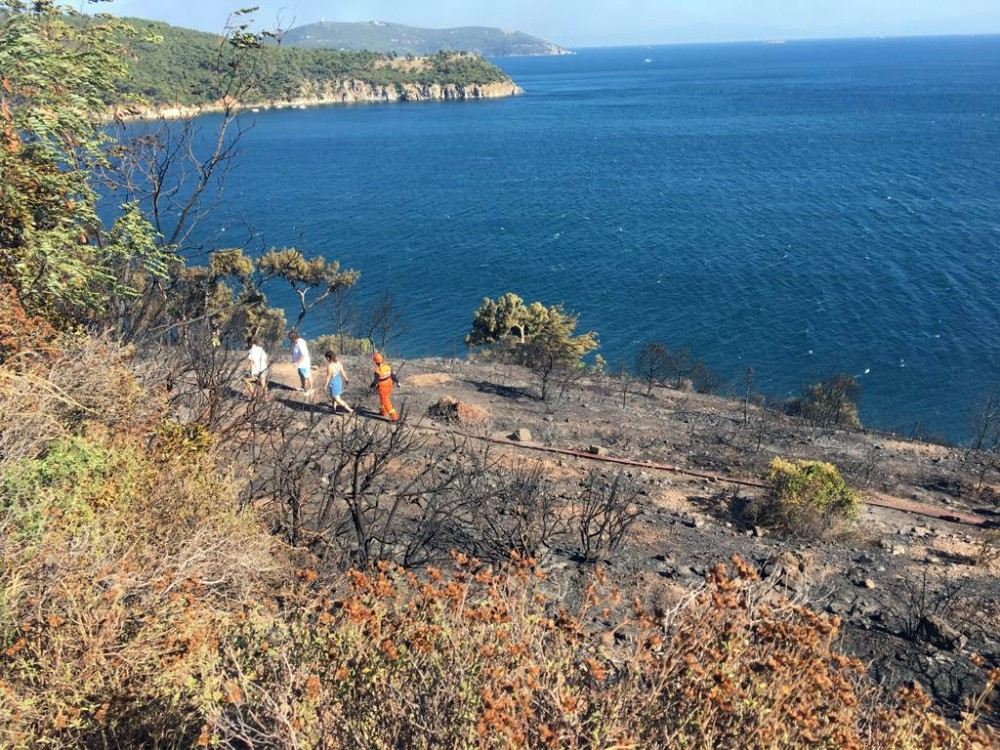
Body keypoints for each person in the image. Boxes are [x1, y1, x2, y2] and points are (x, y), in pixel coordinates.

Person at [371, 352, 399, 422]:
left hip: (382, 387)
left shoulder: (377, 370)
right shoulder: (387, 367)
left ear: (375, 362)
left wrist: (372, 385)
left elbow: (376, 381)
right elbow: (393, 376)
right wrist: (397, 381)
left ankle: (394, 416)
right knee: (383, 399)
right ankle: (383, 411)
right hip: (389, 384)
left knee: (386, 401)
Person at [288, 330, 313, 396]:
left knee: (307, 376)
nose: (290, 340)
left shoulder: (300, 344)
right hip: (300, 364)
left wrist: (297, 363)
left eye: (290, 338)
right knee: (302, 375)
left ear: (293, 338)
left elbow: (303, 355)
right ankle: (303, 387)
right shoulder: (298, 341)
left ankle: (311, 389)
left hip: (304, 363)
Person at [244, 336, 269, 400]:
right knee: (263, 383)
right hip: (263, 369)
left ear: (250, 343)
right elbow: (265, 358)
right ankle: (266, 397)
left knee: (245, 379)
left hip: (256, 371)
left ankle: (253, 394)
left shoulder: (251, 351)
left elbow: (251, 362)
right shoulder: (261, 349)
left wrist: (251, 372)